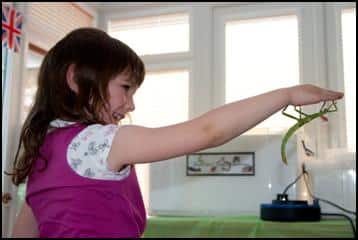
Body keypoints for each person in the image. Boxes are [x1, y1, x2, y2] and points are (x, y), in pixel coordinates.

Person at [7, 27, 344, 238]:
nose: (130, 104)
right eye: (125, 87)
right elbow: (207, 131)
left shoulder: (41, 152)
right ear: (76, 78)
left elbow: (24, 233)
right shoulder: (99, 142)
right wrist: (285, 96)